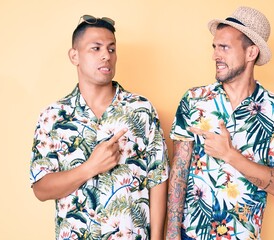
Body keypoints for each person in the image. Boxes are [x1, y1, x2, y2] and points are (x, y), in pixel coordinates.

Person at [166, 6, 274, 240]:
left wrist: (230, 155)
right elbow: (179, 172)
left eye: (225, 48)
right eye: (215, 47)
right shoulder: (194, 100)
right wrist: (171, 233)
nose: (215, 55)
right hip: (190, 235)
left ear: (251, 53)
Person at [30, 15, 169, 240]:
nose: (106, 56)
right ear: (74, 56)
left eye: (112, 49)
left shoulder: (140, 110)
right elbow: (41, 189)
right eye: (96, 48)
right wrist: (90, 167)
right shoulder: (53, 116)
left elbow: (158, 178)